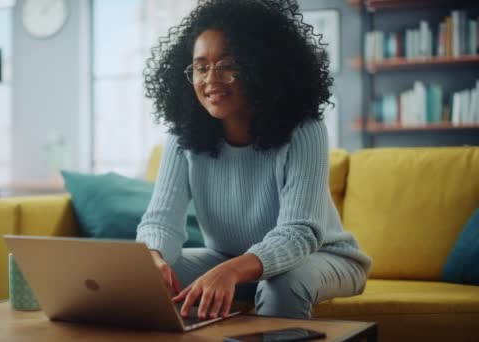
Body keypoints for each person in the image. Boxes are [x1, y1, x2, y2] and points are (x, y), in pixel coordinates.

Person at [136, 0, 372, 321]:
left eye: (228, 64)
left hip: (321, 256)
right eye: (201, 67)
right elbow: (161, 220)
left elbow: (298, 233)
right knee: (148, 279)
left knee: (282, 284)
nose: (211, 79)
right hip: (227, 257)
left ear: (260, 67)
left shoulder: (304, 129)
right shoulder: (183, 136)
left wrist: (231, 271)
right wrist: (153, 256)